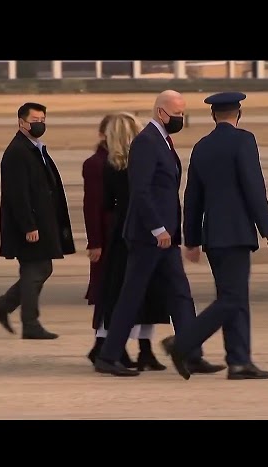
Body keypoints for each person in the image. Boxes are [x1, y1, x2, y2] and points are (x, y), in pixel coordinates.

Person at [94, 90, 226, 377]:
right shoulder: (146, 143)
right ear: (161, 112)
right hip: (149, 236)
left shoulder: (163, 142)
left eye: (182, 113)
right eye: (177, 114)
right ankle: (108, 355)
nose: (180, 119)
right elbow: (140, 191)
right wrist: (158, 228)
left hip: (165, 237)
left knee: (181, 294)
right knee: (132, 295)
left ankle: (191, 352)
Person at [163, 92, 268, 380]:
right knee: (232, 298)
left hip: (213, 234)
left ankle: (239, 361)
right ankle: (183, 342)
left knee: (234, 297)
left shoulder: (202, 146)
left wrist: (191, 239)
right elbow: (254, 186)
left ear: (213, 115)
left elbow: (192, 197)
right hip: (236, 233)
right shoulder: (244, 140)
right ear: (238, 114)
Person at [81, 113, 167, 371]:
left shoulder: (129, 162)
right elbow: (94, 205)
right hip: (121, 235)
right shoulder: (102, 164)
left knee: (136, 293)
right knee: (117, 292)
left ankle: (136, 348)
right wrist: (95, 241)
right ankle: (109, 348)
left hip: (129, 231)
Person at [0, 102, 76, 340]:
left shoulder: (34, 148)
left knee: (39, 269)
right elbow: (17, 194)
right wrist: (29, 226)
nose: (39, 124)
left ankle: (3, 305)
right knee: (35, 269)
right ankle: (30, 323)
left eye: (42, 119)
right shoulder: (17, 152)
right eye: (34, 120)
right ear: (21, 122)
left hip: (42, 222)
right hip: (30, 225)